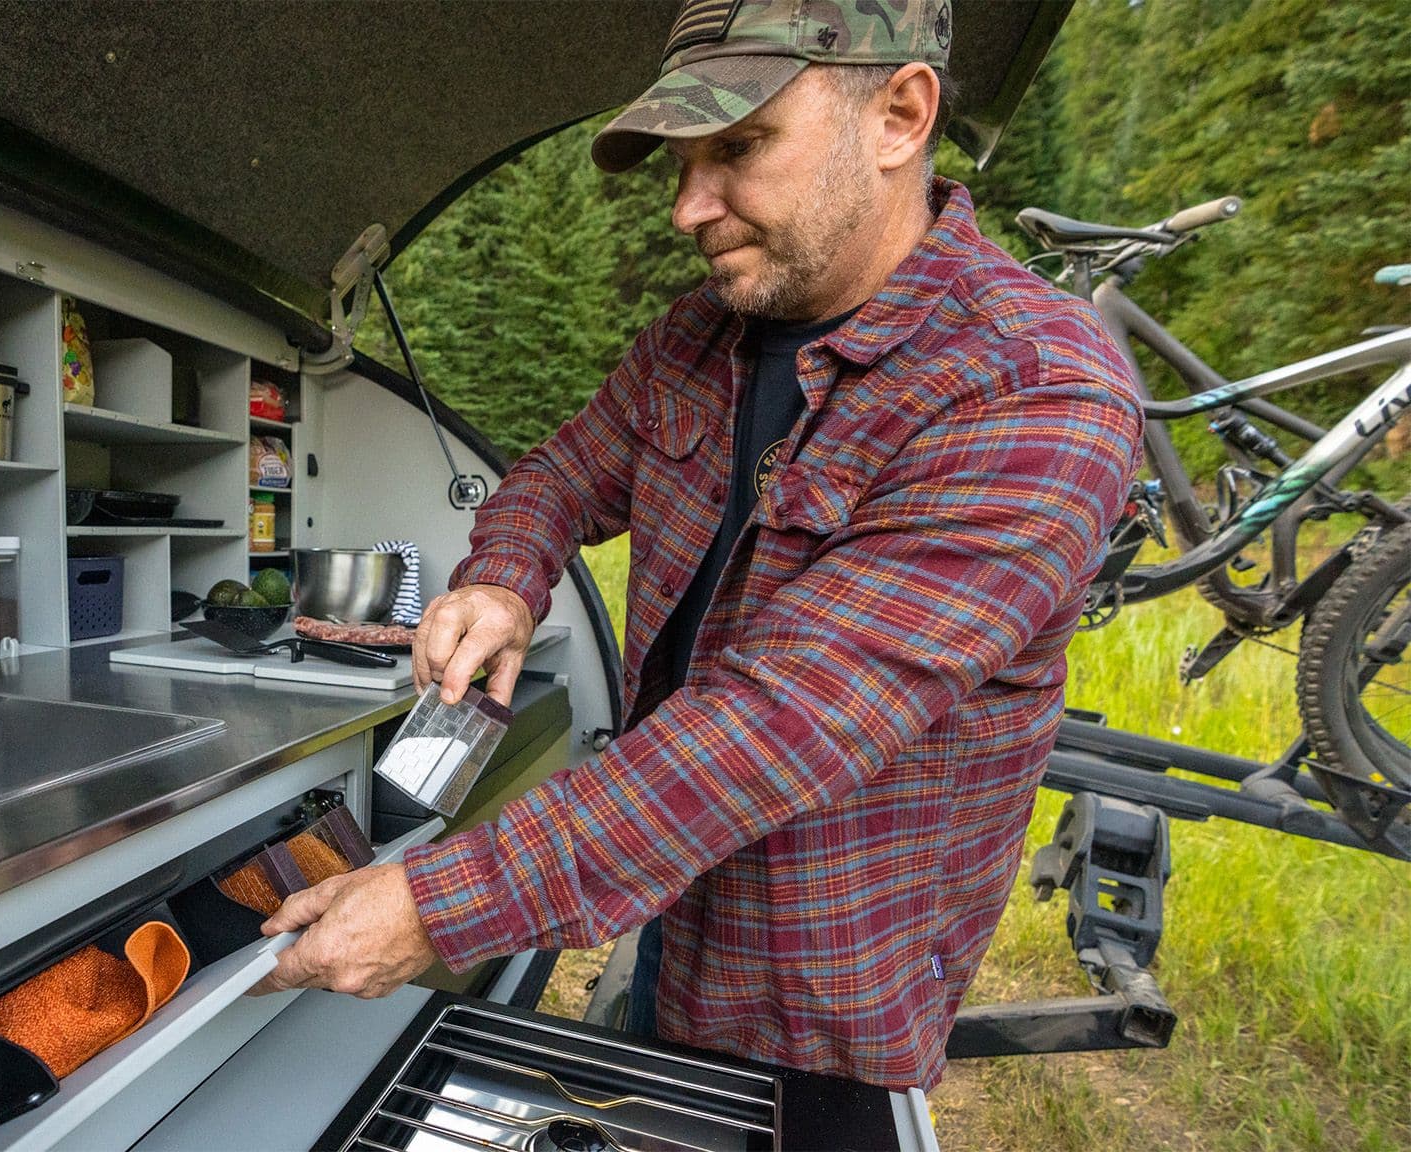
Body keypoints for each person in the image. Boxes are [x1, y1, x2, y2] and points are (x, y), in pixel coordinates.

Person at [250, 0, 1141, 1091]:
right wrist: (502, 581)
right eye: (679, 163)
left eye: (736, 148)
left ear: (899, 116)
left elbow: (788, 718)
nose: (686, 208)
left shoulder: (1033, 388)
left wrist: (438, 905)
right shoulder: (693, 339)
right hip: (658, 890)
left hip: (821, 983)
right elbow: (558, 474)